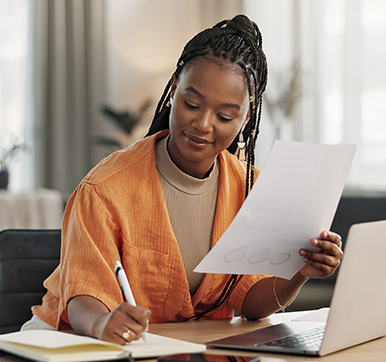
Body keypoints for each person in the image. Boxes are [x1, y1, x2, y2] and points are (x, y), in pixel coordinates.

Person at [24, 14, 343, 345]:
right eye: (192, 104)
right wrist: (104, 322)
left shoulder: (251, 190)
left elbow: (251, 304)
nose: (203, 125)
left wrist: (300, 272)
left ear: (245, 119)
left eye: (224, 116)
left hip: (176, 347)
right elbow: (82, 298)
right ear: (174, 89)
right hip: (75, 342)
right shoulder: (104, 188)